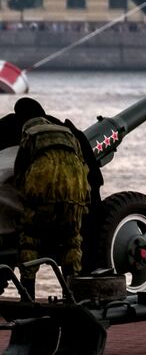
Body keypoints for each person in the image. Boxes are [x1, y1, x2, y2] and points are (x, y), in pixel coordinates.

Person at [14, 112, 91, 292]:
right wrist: (84, 202)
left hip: (44, 193)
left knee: (30, 240)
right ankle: (71, 292)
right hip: (74, 192)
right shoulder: (69, 135)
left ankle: (27, 292)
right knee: (71, 241)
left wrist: (25, 196)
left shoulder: (30, 135)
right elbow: (83, 167)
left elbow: (20, 170)